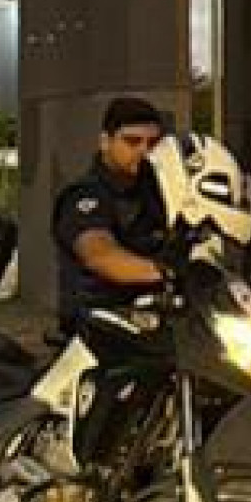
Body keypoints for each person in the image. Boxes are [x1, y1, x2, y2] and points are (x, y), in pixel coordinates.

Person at [51, 95, 173, 329]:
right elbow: (101, 256)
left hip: (148, 323)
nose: (144, 151)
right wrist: (167, 272)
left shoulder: (159, 192)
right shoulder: (84, 196)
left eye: (153, 144)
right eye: (132, 141)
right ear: (106, 141)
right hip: (96, 330)